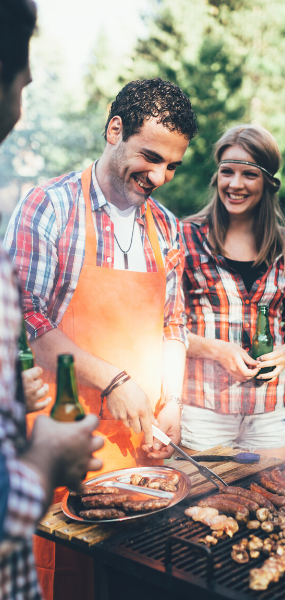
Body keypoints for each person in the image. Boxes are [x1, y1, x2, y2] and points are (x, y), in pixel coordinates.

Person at [3, 76, 197, 599]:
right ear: (115, 130)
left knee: (141, 584)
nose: (159, 176)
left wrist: (173, 400)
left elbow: (173, 325)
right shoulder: (49, 208)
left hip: (143, 450)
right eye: (150, 156)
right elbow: (28, 322)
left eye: (172, 166)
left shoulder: (167, 227)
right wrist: (113, 380)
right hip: (65, 446)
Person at [0, 1, 105, 598]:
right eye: (23, 81)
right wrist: (42, 459)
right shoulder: (49, 204)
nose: (23, 99)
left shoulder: (162, 225)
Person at [180, 124, 285, 460]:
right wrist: (216, 350)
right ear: (216, 177)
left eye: (249, 174)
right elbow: (162, 326)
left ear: (268, 182)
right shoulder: (185, 237)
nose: (235, 184)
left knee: (270, 505)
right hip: (204, 406)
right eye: (227, 171)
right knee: (204, 507)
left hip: (271, 408)